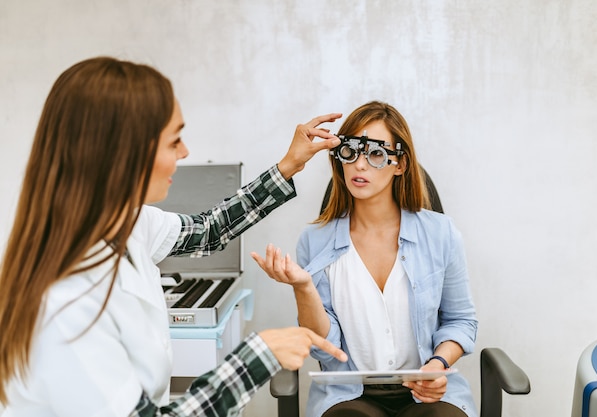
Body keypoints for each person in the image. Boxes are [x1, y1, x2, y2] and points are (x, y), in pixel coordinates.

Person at [0, 56, 348, 417]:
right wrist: (257, 358)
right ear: (124, 153)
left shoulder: (127, 224)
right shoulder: (65, 303)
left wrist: (288, 165)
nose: (185, 153)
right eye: (174, 140)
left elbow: (208, 231)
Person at [252, 101, 479, 417]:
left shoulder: (440, 233)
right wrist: (303, 287)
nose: (360, 165)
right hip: (350, 395)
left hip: (426, 394)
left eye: (375, 154)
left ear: (399, 164)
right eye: (351, 151)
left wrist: (437, 365)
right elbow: (322, 346)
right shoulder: (315, 241)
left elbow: (461, 320)